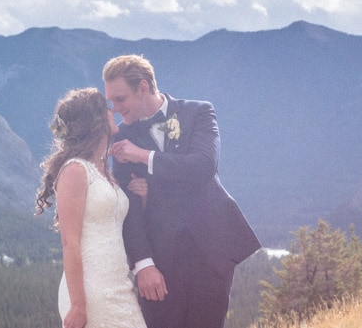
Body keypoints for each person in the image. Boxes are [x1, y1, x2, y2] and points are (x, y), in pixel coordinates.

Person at [104, 54, 261, 328]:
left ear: (143, 87)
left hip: (211, 252)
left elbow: (203, 167)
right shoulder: (120, 138)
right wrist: (143, 264)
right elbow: (127, 205)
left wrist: (143, 156)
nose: (115, 109)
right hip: (159, 261)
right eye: (111, 101)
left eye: (120, 99)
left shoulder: (198, 112)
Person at [36, 88, 147, 328]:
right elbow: (70, 241)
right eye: (108, 109)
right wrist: (78, 305)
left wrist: (145, 195)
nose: (113, 110)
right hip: (90, 290)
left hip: (119, 286)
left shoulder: (106, 171)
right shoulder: (75, 170)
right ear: (95, 121)